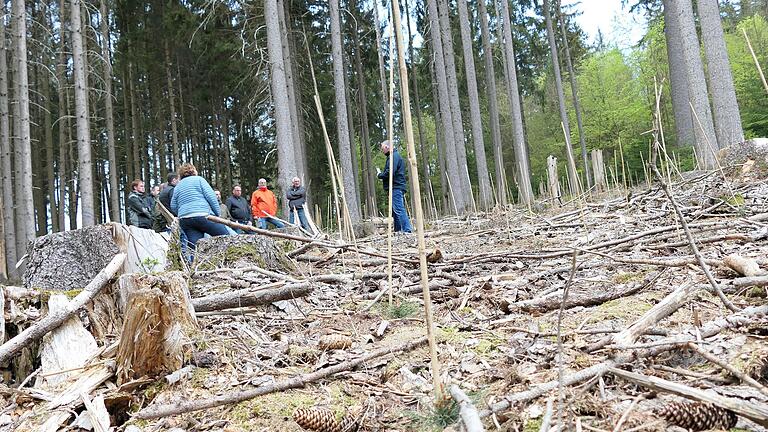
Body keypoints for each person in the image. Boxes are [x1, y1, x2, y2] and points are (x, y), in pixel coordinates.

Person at [170, 163, 230, 252]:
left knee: (195, 248)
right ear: (194, 171)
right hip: (203, 216)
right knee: (226, 237)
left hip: (186, 220)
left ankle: (195, 265)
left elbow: (173, 205)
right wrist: (217, 214)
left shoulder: (177, 186)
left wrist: (183, 213)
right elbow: (212, 198)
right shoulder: (199, 180)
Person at [377, 141, 412, 233]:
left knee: (398, 208)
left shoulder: (393, 157)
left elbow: (390, 172)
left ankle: (407, 230)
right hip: (395, 186)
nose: (382, 151)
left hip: (396, 187)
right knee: (394, 210)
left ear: (387, 147)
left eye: (382, 148)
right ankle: (398, 229)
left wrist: (380, 175)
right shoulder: (392, 157)